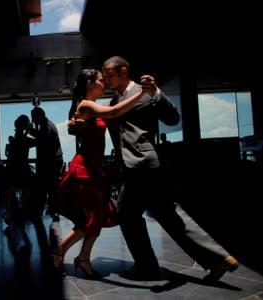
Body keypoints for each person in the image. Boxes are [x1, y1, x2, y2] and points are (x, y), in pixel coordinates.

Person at [101, 55, 239, 281]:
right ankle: (219, 258)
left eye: (109, 75)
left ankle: (146, 266)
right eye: (104, 77)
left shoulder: (145, 93)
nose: (106, 80)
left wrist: (156, 93)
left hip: (143, 164)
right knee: (167, 213)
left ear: (124, 71)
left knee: (127, 213)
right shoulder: (114, 102)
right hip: (135, 166)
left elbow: (173, 118)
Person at [52, 68, 151, 278]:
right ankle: (59, 251)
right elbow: (114, 113)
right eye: (100, 80)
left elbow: (106, 114)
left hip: (94, 170)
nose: (104, 82)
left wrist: (73, 123)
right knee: (89, 221)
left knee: (97, 219)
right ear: (90, 84)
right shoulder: (87, 105)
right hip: (84, 170)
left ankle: (83, 259)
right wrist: (141, 93)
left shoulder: (94, 106)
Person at [28, 106, 63, 220]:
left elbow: (43, 140)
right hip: (52, 160)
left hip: (51, 161)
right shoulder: (46, 125)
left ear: (40, 115)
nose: (32, 120)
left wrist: (30, 130)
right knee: (50, 187)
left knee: (44, 187)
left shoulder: (46, 127)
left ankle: (42, 212)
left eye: (33, 117)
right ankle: (52, 210)